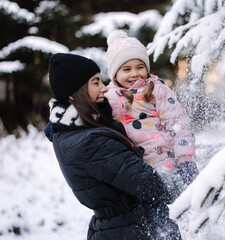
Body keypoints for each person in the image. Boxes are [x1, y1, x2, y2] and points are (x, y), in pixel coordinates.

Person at [44, 53, 182, 240]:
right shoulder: (91, 142)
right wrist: (183, 184)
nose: (104, 88)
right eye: (96, 82)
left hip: (117, 227)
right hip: (127, 230)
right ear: (73, 91)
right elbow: (147, 183)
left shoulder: (66, 130)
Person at [105, 30, 199, 196]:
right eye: (126, 69)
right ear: (114, 74)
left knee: (166, 216)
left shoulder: (157, 90)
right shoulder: (107, 97)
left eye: (140, 67)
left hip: (165, 166)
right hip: (134, 173)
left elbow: (178, 124)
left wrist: (185, 160)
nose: (134, 73)